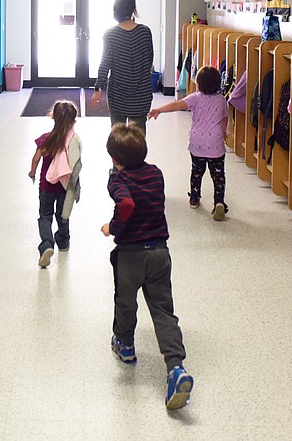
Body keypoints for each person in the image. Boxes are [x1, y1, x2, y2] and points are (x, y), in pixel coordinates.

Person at [100, 124, 194, 411]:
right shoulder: (156, 174)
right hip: (159, 252)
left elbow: (127, 204)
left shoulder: (117, 180)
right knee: (163, 310)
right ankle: (175, 367)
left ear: (114, 159)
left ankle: (126, 346)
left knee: (126, 303)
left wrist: (112, 227)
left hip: (130, 255)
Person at [148, 65, 230, 220]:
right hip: (216, 144)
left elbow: (177, 105)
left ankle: (194, 198)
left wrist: (159, 110)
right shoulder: (221, 100)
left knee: (197, 172)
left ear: (198, 84)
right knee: (218, 175)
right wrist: (225, 132)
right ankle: (219, 202)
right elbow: (225, 118)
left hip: (197, 142)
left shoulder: (195, 98)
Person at [91, 0, 154, 134]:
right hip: (141, 95)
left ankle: (118, 157)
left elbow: (105, 62)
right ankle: (136, 157)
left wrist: (98, 88)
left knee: (117, 138)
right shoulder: (145, 32)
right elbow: (149, 60)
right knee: (137, 139)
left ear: (116, 9)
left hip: (117, 95)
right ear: (133, 9)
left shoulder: (110, 34)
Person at [28, 100, 81, 268]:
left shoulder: (46, 139)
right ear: (73, 122)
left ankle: (47, 244)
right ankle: (63, 243)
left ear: (53, 117)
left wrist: (32, 172)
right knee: (62, 215)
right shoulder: (72, 142)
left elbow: (36, 159)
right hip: (64, 187)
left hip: (46, 187)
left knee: (45, 217)